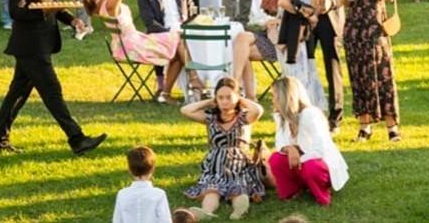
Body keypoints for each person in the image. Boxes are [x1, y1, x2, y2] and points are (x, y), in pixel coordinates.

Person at [0, 0, 106, 155]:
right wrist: (43, 10)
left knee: (18, 94)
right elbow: (17, 11)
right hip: (31, 46)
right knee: (52, 92)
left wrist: (72, 20)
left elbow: (53, 6)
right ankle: (77, 138)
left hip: (38, 45)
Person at [88, 0, 198, 104]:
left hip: (128, 44)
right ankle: (193, 78)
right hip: (132, 47)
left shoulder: (100, 2)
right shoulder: (111, 4)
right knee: (178, 39)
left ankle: (166, 93)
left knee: (177, 50)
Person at [341, 0, 401, 142]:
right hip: (353, 26)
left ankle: (392, 127)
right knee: (358, 76)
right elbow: (348, 0)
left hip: (374, 26)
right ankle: (364, 126)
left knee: (381, 74)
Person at [285, 0, 347, 129]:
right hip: (304, 21)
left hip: (330, 19)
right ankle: (305, 113)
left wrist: (331, 3)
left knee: (333, 66)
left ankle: (335, 117)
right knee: (306, 66)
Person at [179, 76, 265, 220]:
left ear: (237, 97)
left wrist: (240, 99)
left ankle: (239, 210)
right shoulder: (210, 118)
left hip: (238, 164)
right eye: (220, 97)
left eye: (228, 97)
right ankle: (207, 211)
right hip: (216, 165)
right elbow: (185, 110)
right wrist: (209, 101)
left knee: (238, 189)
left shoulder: (244, 117)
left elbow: (258, 110)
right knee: (212, 190)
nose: (224, 101)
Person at [267, 76, 349, 207]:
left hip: (318, 162)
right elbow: (279, 142)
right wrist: (289, 149)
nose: (273, 100)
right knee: (275, 159)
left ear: (285, 97)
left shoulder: (310, 114)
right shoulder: (280, 117)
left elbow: (320, 149)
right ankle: (292, 190)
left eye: (275, 96)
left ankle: (322, 194)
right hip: (300, 159)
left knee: (311, 167)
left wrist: (299, 159)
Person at [276, 0, 334, 111]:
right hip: (290, 33)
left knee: (308, 73)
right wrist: (306, 14)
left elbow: (315, 14)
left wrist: (320, 1)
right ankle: (294, 112)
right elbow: (283, 1)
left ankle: (307, 112)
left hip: (304, 36)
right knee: (296, 76)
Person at [137, 0, 201, 100]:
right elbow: (150, 23)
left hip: (184, 33)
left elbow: (192, 12)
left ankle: (165, 93)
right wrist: (171, 33)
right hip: (160, 35)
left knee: (179, 55)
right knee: (178, 40)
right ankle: (195, 77)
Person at [113, 146, 170, 223]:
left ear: (129, 170)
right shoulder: (159, 194)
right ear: (152, 169)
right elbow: (165, 220)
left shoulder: (122, 194)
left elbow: (117, 220)